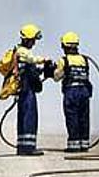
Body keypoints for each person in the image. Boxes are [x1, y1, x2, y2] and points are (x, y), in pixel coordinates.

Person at [14, 23, 52, 156]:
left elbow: (31, 69)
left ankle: (22, 147)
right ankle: (28, 148)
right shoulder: (22, 51)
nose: (34, 43)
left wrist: (43, 70)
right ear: (27, 39)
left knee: (24, 116)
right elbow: (32, 60)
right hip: (26, 89)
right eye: (33, 40)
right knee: (30, 117)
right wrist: (44, 60)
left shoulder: (20, 51)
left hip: (24, 88)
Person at [53, 31, 93, 152]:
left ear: (64, 46)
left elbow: (57, 77)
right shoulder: (84, 59)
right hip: (84, 91)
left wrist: (52, 70)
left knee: (72, 117)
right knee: (84, 117)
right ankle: (84, 144)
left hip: (71, 91)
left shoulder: (63, 60)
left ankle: (74, 145)